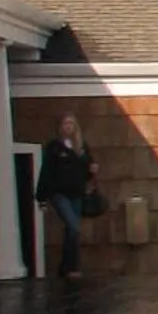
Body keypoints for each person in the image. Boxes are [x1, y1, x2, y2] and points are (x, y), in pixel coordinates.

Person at [35, 113, 96, 279]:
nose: (68, 127)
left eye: (71, 124)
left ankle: (67, 267)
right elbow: (46, 171)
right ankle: (71, 267)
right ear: (61, 127)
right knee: (74, 227)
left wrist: (91, 170)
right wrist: (42, 197)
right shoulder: (55, 147)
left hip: (77, 193)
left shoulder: (81, 147)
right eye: (65, 124)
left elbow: (87, 172)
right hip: (59, 194)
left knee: (71, 230)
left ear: (76, 127)